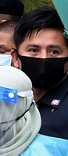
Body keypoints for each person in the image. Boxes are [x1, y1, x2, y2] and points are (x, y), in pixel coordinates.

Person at [14, 7, 68, 139]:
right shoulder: (5, 100)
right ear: (15, 58)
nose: (43, 58)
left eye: (54, 51)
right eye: (34, 50)